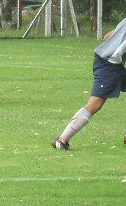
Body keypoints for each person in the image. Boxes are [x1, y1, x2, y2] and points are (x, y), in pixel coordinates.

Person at [52, 18, 126, 150]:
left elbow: (107, 36)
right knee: (95, 104)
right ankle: (62, 140)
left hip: (113, 63)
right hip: (107, 65)